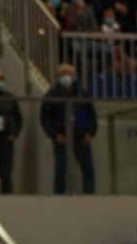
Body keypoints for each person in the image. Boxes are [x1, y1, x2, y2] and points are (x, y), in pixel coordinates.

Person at [40, 63, 97, 195]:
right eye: (62, 74)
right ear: (58, 77)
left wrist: (90, 132)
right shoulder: (51, 95)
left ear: (74, 76)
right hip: (62, 137)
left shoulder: (83, 94)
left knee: (88, 168)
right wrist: (55, 135)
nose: (66, 77)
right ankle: (59, 197)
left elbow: (92, 115)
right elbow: (45, 119)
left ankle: (89, 196)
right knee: (61, 169)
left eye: (68, 74)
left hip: (81, 136)